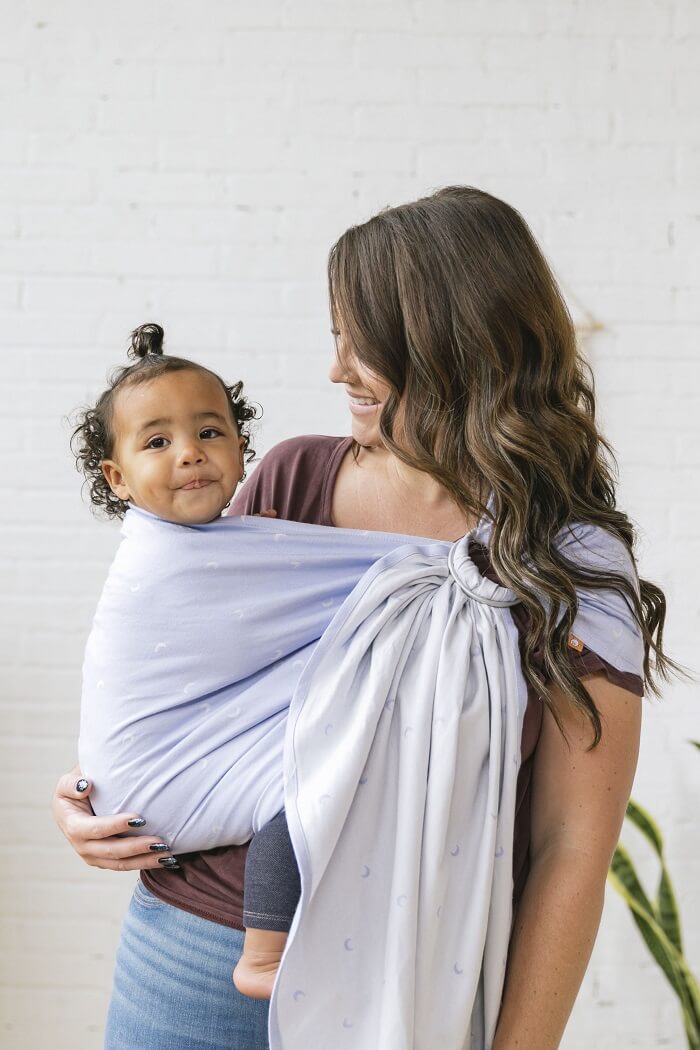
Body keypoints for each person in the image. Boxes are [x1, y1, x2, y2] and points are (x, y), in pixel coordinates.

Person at [53, 186, 671, 1050]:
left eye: (362, 343)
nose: (337, 369)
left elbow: (572, 848)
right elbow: (186, 683)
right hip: (189, 958)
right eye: (335, 336)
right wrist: (101, 795)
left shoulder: (571, 567)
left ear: (453, 347)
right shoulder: (293, 482)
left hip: (403, 991)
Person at [73, 321, 316, 1005]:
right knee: (310, 773)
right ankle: (263, 955)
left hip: (138, 791)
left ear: (241, 449)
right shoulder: (161, 558)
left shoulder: (241, 543)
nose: (189, 453)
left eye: (210, 433)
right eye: (158, 442)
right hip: (147, 801)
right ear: (117, 478)